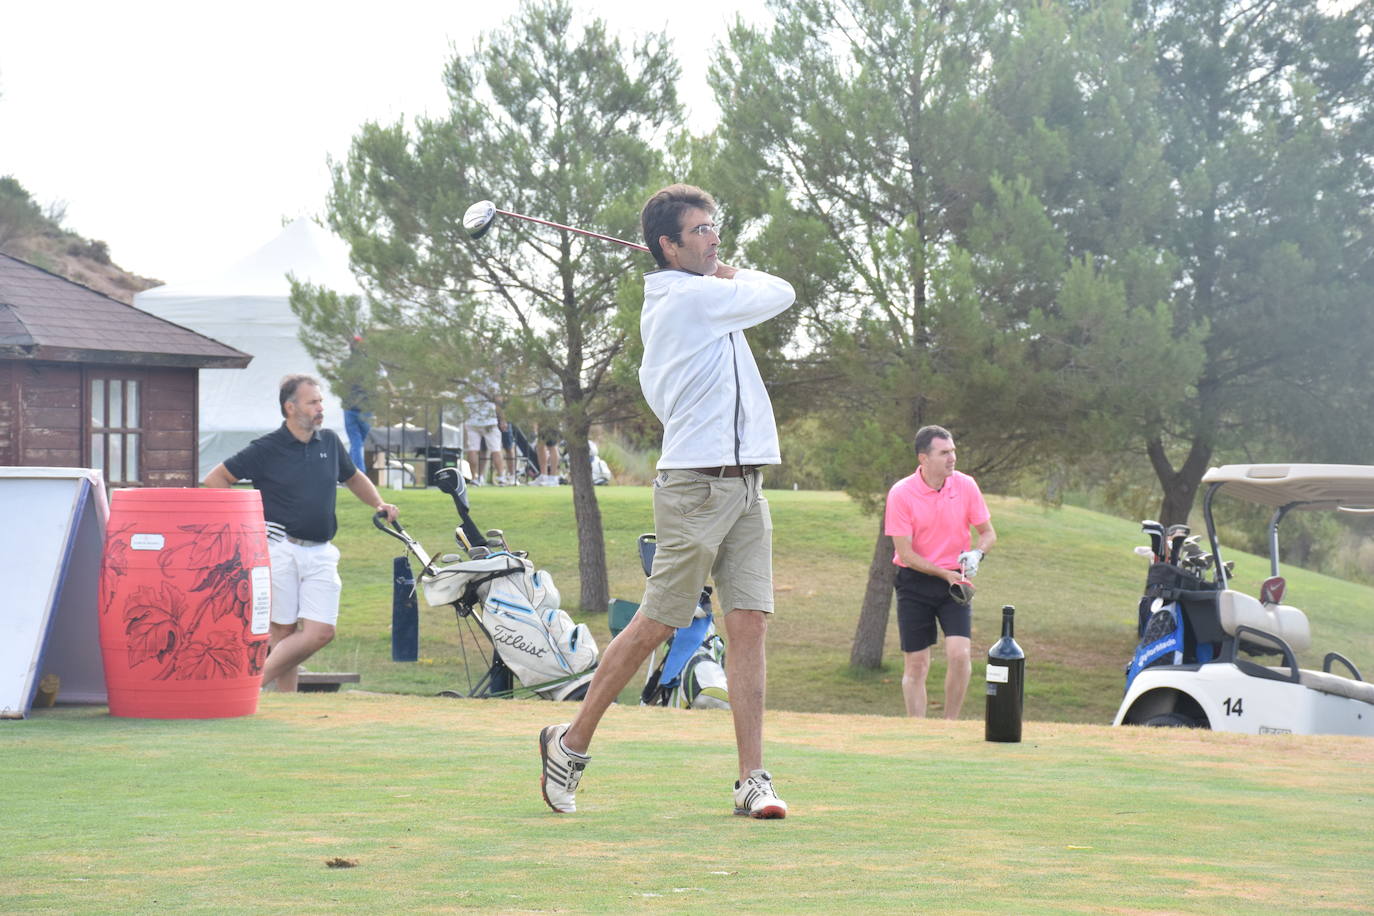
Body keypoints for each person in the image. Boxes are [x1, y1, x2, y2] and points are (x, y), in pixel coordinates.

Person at [539, 184, 795, 818]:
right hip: (695, 487)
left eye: (715, 226)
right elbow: (782, 291)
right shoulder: (686, 301)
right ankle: (568, 745)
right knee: (659, 621)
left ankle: (751, 779)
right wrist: (726, 272)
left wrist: (717, 267)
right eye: (701, 230)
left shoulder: (701, 294)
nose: (715, 238)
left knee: (749, 623)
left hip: (745, 487)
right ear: (668, 246)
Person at [201, 374, 398, 692]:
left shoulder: (330, 442)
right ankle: (284, 702)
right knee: (283, 631)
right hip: (279, 548)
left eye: (320, 401)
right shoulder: (267, 448)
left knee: (321, 631)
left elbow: (353, 477)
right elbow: (216, 479)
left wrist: (378, 502)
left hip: (321, 549)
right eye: (313, 402)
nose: (320, 407)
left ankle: (248, 687)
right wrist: (250, 524)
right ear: (290, 407)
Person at [883, 425, 997, 719]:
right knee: (917, 664)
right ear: (924, 458)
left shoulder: (966, 485)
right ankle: (918, 731)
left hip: (954, 584)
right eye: (944, 452)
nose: (952, 458)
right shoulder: (901, 493)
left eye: (953, 451)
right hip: (914, 582)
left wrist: (978, 553)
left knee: (960, 656)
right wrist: (944, 573)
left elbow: (987, 533)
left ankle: (949, 726)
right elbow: (906, 553)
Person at [464, 389, 509, 486]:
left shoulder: (467, 379)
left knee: (473, 449)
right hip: (489, 421)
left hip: (472, 420)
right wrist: (502, 419)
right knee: (496, 449)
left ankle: (474, 478)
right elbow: (498, 402)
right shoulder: (491, 382)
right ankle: (501, 477)